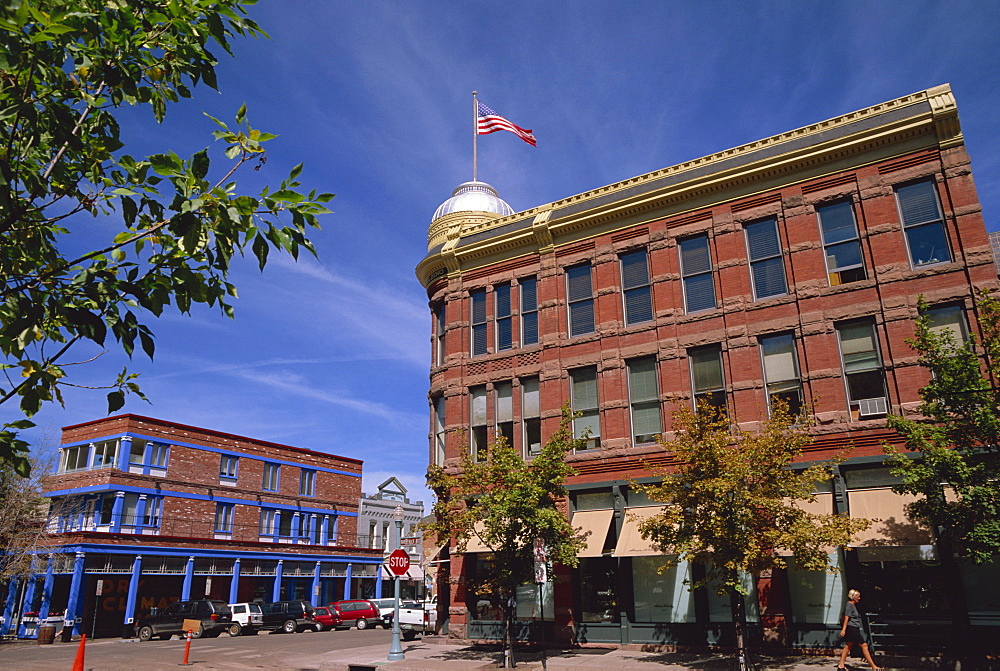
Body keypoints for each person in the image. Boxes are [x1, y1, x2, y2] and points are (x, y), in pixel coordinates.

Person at [837, 589, 881, 670]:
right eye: (858, 596)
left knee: (848, 646)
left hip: (853, 628)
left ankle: (841, 665)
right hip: (852, 628)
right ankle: (874, 667)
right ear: (853, 597)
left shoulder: (853, 605)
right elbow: (847, 617)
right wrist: (844, 629)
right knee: (864, 645)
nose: (859, 598)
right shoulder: (849, 605)